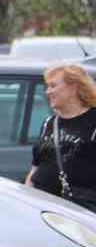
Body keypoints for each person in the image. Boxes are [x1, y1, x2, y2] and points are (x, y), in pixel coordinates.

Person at [27, 63, 96, 210]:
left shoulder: (93, 121)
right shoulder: (49, 123)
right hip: (42, 207)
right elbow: (35, 168)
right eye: (47, 86)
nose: (47, 92)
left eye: (53, 86)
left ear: (73, 88)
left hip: (77, 213)